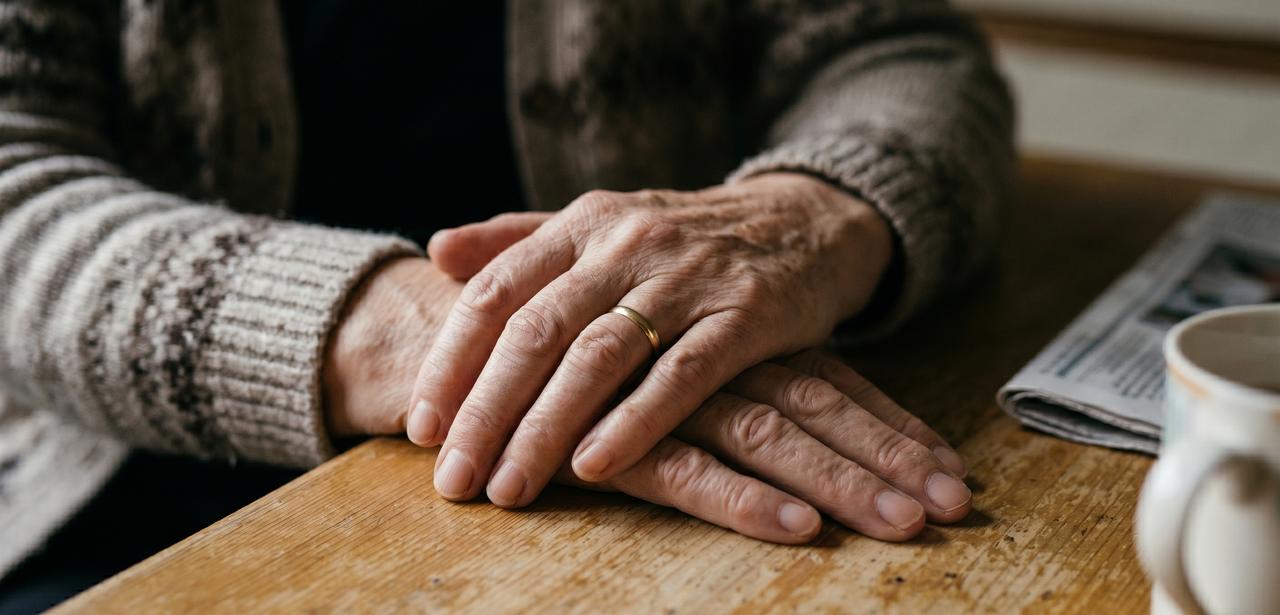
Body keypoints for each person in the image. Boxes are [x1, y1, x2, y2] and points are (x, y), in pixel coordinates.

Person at [0, 0, 1013, 607]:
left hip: (659, 430)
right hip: (125, 499)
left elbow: (896, 51)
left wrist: (806, 216)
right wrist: (461, 334)